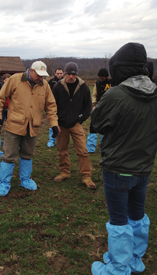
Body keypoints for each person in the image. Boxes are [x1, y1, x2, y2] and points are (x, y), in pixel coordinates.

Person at [91, 42, 157, 275]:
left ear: (119, 69)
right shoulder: (155, 92)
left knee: (119, 220)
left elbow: (96, 124)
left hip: (118, 168)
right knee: (137, 215)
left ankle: (119, 268)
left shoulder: (116, 94)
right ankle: (135, 259)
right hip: (144, 168)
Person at [0, 60, 59, 196]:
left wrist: (54, 124)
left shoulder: (45, 86)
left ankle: (25, 179)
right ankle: (4, 182)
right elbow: (0, 99)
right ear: (32, 71)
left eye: (43, 76)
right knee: (9, 156)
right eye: (39, 75)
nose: (41, 78)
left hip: (32, 127)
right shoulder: (15, 80)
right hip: (14, 126)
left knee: (28, 155)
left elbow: (51, 106)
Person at [52, 62, 96, 190]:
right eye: (69, 74)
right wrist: (56, 122)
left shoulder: (83, 87)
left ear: (77, 74)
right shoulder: (58, 87)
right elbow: (52, 105)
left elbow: (88, 105)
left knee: (83, 150)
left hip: (76, 124)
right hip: (61, 124)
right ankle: (64, 172)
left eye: (73, 74)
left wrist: (81, 118)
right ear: (65, 74)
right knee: (62, 150)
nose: (71, 76)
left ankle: (86, 176)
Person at [86, 68, 111, 153]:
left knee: (106, 128)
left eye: (102, 78)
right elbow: (94, 95)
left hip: (109, 109)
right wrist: (94, 104)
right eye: (99, 77)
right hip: (98, 108)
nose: (100, 79)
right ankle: (90, 147)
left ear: (107, 77)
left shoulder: (112, 83)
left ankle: (103, 147)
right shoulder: (97, 83)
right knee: (93, 126)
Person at [47, 68, 64, 148]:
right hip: (53, 105)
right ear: (55, 73)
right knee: (53, 122)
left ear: (63, 73)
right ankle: (52, 139)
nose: (59, 75)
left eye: (60, 73)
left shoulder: (65, 82)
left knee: (62, 124)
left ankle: (61, 140)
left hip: (63, 106)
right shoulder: (50, 82)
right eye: (58, 73)